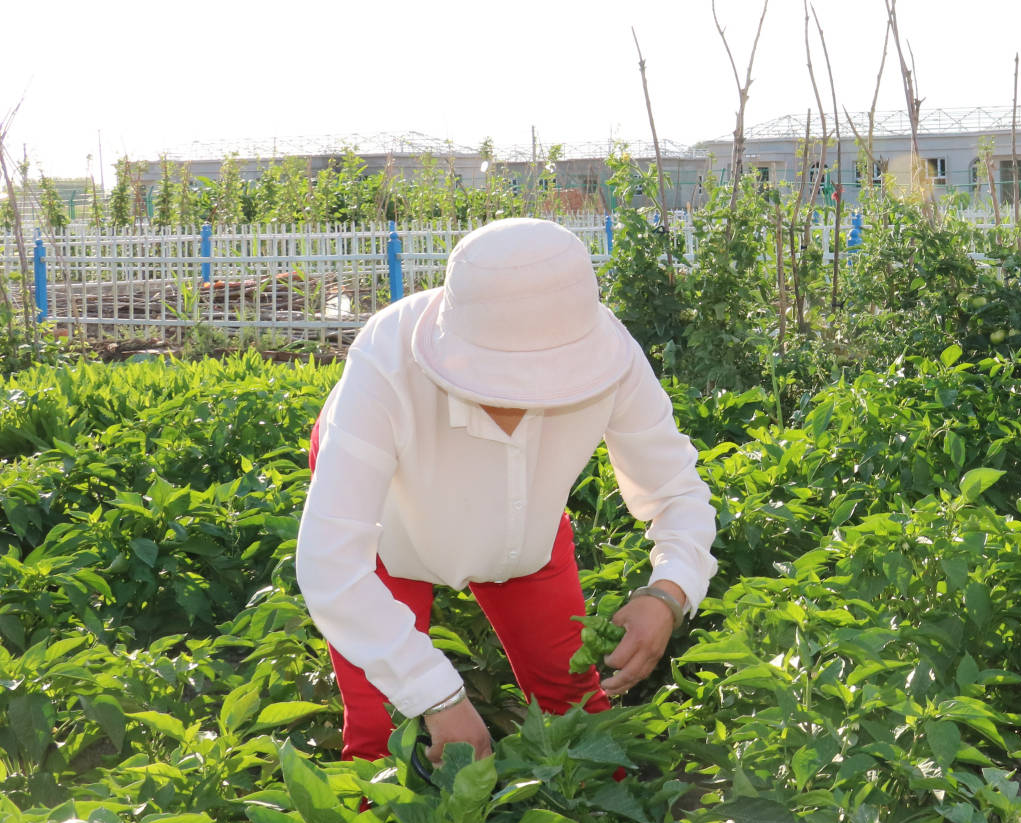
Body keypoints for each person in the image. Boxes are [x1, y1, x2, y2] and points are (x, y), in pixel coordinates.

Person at [298, 217, 718, 762]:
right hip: (391, 525)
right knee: (381, 729)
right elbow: (332, 566)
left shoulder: (607, 353)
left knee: (574, 706)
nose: (519, 400)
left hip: (524, 527)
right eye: (498, 380)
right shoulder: (386, 361)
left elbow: (677, 489)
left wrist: (668, 593)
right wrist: (436, 695)